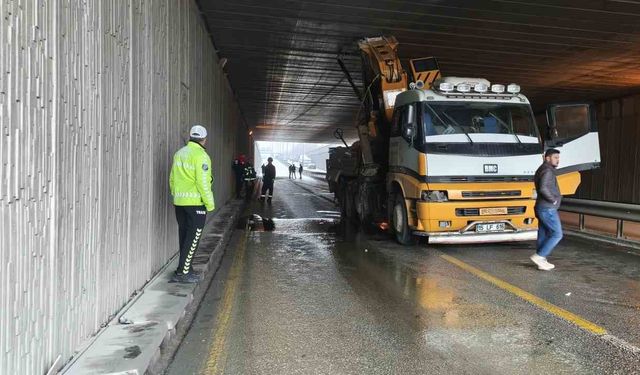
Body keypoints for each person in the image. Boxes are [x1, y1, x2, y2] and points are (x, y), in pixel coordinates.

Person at [169, 125, 215, 283]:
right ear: (204, 139)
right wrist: (209, 204)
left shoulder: (179, 154)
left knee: (184, 235)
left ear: (190, 137)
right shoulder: (202, 156)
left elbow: (172, 178)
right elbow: (203, 183)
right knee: (193, 237)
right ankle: (183, 273)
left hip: (180, 202)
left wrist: (176, 195)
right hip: (195, 203)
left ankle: (185, 268)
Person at [531, 149, 563, 271]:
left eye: (558, 158)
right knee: (557, 234)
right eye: (555, 157)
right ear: (547, 158)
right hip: (547, 208)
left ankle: (541, 261)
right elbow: (543, 188)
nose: (557, 160)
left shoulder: (542, 169)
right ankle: (539, 256)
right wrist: (553, 200)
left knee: (543, 233)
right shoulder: (547, 171)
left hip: (542, 206)